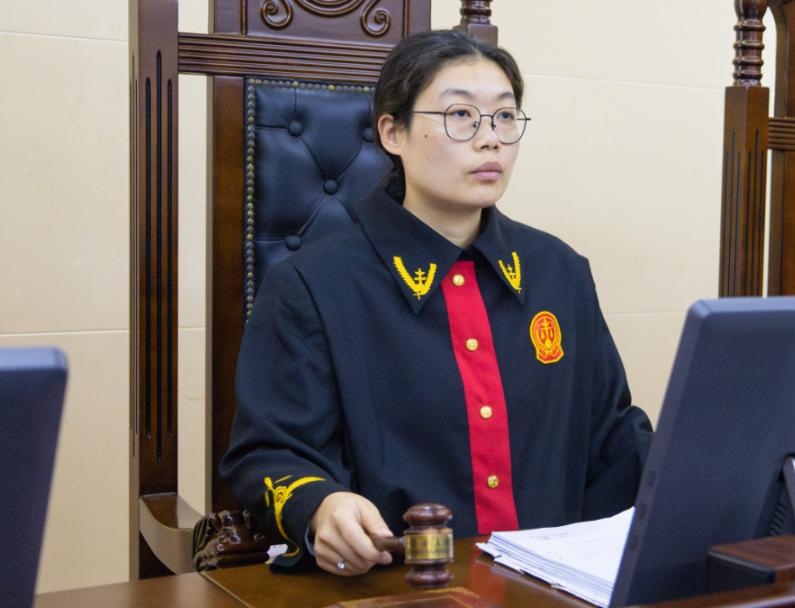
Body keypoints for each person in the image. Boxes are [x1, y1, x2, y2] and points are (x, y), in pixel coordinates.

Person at [220, 30, 652, 577]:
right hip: (393, 585)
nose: (490, 140)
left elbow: (613, 439)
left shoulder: (560, 273)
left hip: (551, 586)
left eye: (504, 117)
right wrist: (322, 506)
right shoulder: (311, 285)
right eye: (460, 116)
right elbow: (269, 454)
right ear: (392, 132)